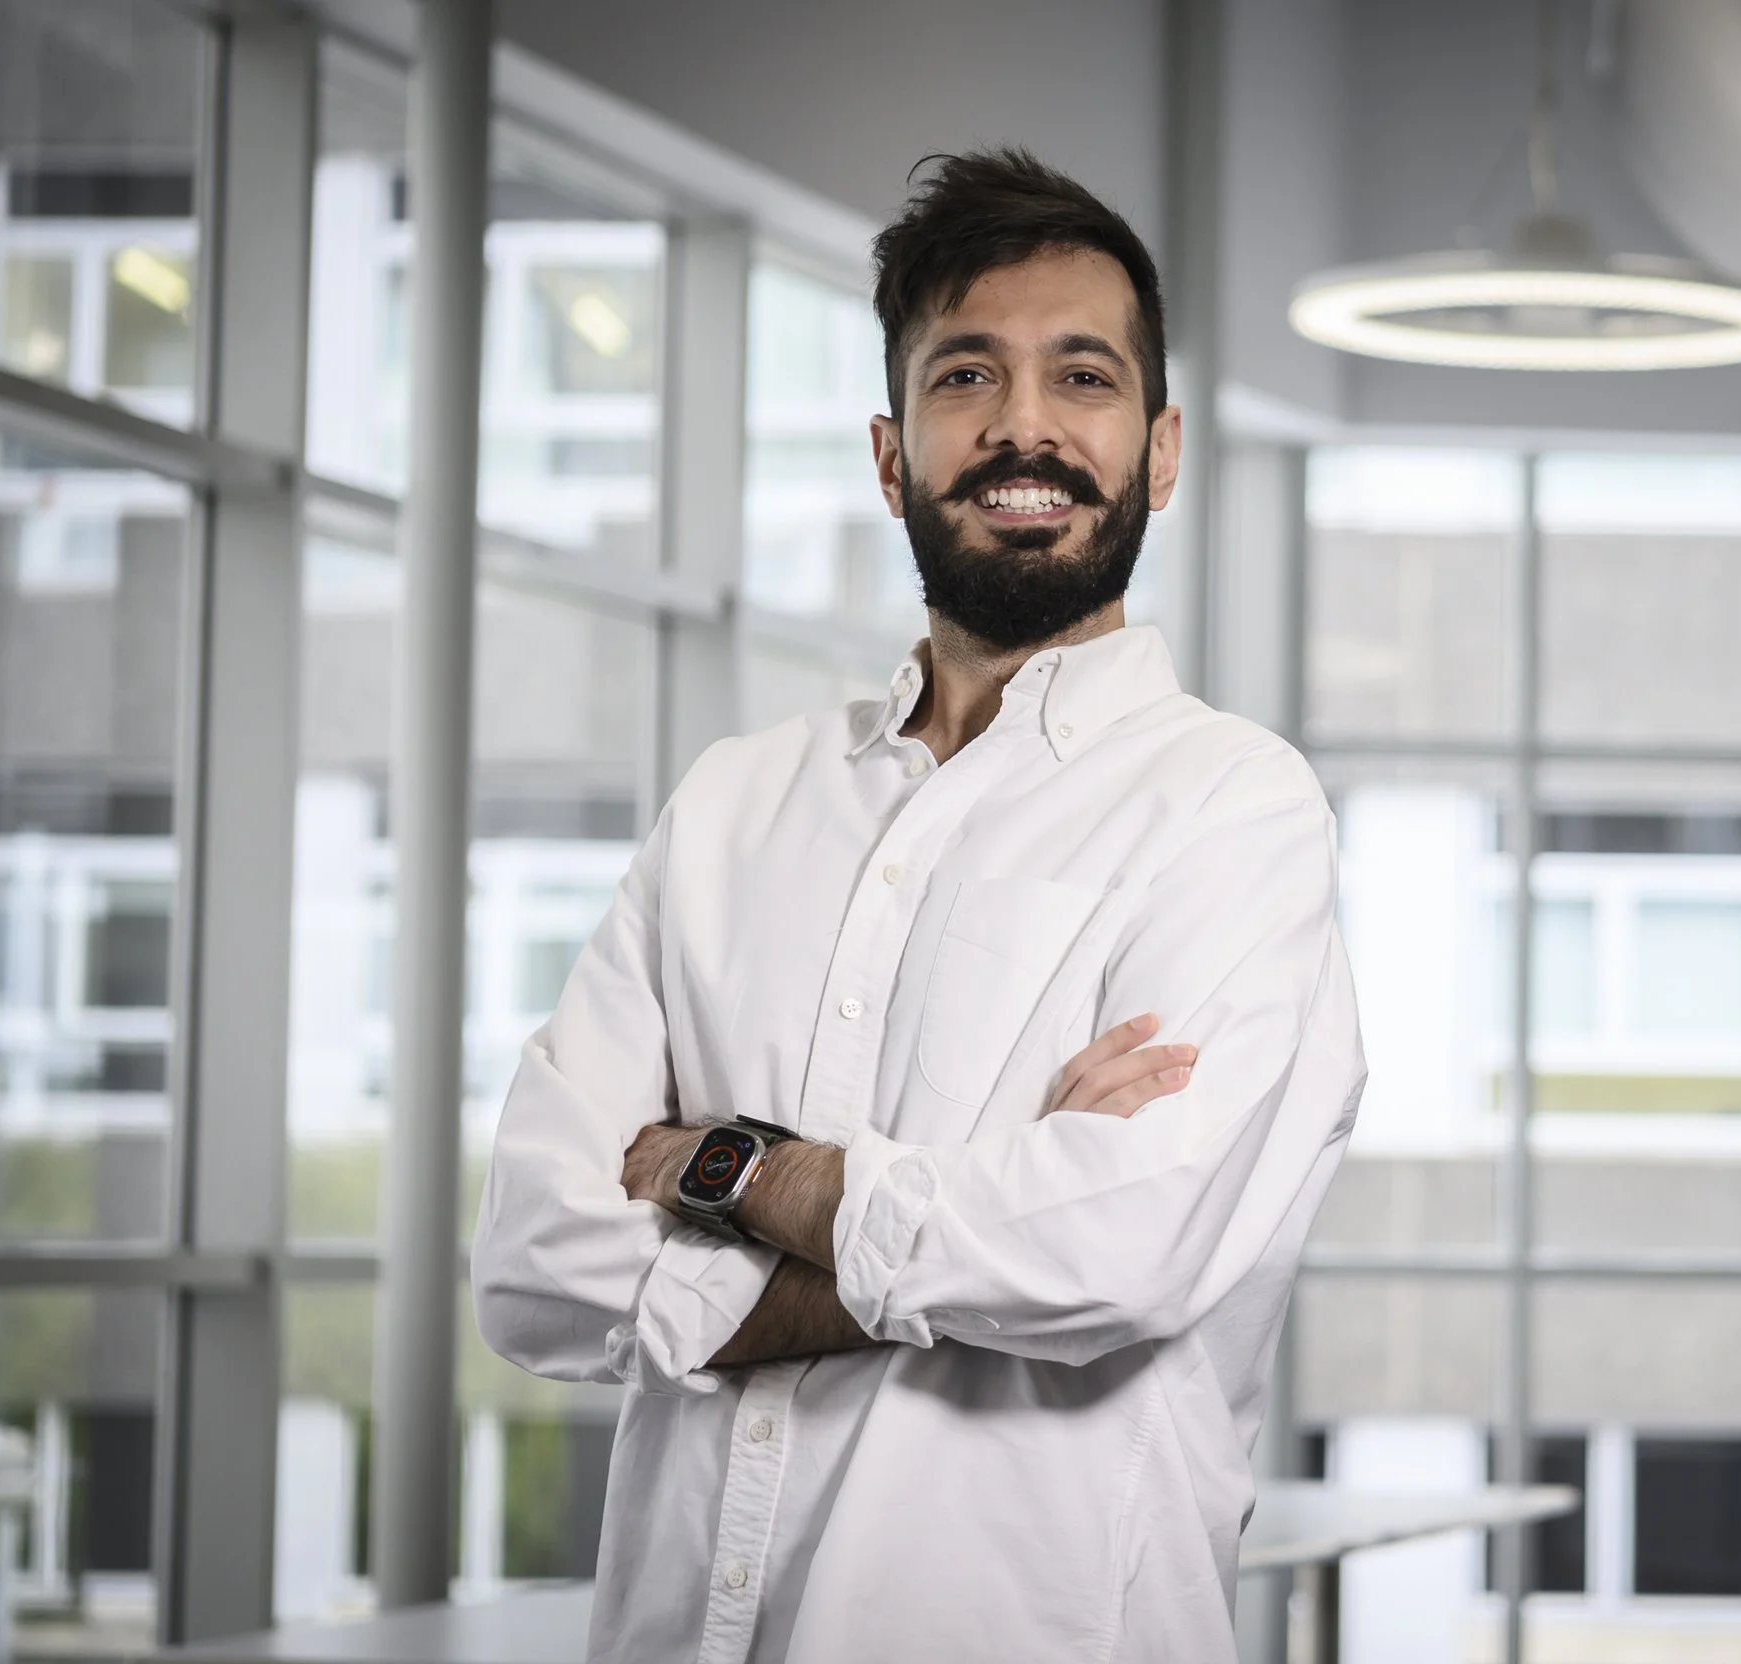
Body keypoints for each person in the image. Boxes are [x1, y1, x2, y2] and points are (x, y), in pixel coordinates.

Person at [472, 148, 1366, 1662]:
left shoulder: (1234, 809)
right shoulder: (733, 807)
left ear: (1159, 452)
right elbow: (536, 1266)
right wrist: (963, 1214)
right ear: (893, 456)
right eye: (968, 376)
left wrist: (732, 1170)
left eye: (1080, 377)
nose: (1024, 425)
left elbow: (1116, 1254)